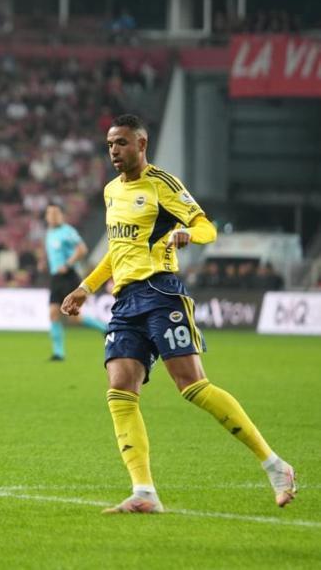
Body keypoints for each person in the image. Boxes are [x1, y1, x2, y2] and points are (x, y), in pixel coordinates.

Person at [61, 114, 295, 513]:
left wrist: (187, 233)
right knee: (119, 389)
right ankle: (144, 492)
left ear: (141, 144)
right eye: (110, 144)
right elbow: (117, 251)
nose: (114, 150)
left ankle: (275, 465)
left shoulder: (162, 184)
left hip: (161, 293)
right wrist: (86, 287)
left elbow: (207, 227)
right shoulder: (111, 191)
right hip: (125, 302)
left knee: (192, 385)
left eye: (121, 143)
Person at [44, 202, 107, 361]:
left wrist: (67, 264)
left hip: (69, 276)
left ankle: (105, 328)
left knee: (74, 318)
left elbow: (82, 249)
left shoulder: (68, 231)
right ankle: (58, 353)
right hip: (56, 278)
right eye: (50, 213)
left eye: (55, 213)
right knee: (53, 314)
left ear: (61, 215)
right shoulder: (49, 233)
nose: (52, 216)